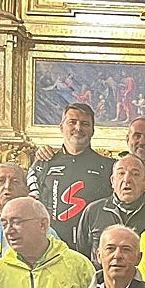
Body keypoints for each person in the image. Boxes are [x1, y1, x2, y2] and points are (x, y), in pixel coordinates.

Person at [27, 103, 112, 250]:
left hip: (93, 250)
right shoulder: (43, 164)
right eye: (72, 122)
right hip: (50, 249)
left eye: (85, 124)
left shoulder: (109, 166)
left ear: (92, 130)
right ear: (61, 127)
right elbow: (31, 207)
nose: (78, 128)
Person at [75, 155, 145, 265]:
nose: (126, 179)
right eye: (121, 173)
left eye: (135, 174)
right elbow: (81, 256)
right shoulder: (93, 211)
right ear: (112, 181)